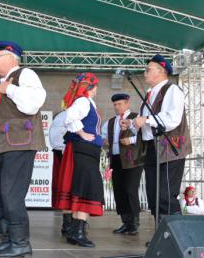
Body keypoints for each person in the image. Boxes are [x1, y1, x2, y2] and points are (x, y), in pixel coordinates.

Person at [0, 41, 46, 257]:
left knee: (11, 193)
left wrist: (8, 88)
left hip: (19, 143)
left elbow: (33, 103)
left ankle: (20, 243)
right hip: (1, 144)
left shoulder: (25, 74)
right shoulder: (3, 82)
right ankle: (8, 238)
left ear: (11, 57)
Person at [122, 54, 190, 221]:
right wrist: (132, 124)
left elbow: (172, 119)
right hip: (152, 148)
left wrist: (145, 119)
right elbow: (147, 124)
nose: (145, 73)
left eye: (148, 70)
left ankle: (174, 235)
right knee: (153, 194)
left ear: (161, 71)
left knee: (166, 194)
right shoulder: (150, 94)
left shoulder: (172, 90)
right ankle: (160, 234)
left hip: (169, 148)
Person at [56, 73, 104, 248]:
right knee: (87, 187)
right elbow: (70, 118)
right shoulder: (83, 102)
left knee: (77, 186)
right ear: (91, 88)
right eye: (96, 85)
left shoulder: (86, 102)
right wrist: (83, 133)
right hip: (83, 149)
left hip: (83, 149)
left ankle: (72, 230)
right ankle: (77, 232)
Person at [101, 93, 145, 235]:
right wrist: (105, 141)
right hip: (116, 159)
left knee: (130, 190)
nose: (117, 107)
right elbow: (103, 136)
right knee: (119, 191)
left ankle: (134, 223)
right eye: (115, 104)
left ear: (127, 103)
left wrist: (130, 141)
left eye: (119, 104)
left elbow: (144, 137)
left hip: (133, 160)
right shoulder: (111, 122)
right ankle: (125, 222)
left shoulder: (136, 118)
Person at [49, 109, 69, 236]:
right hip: (64, 152)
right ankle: (68, 224)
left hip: (62, 151)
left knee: (66, 188)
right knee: (67, 188)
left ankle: (68, 224)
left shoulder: (61, 116)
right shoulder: (67, 115)